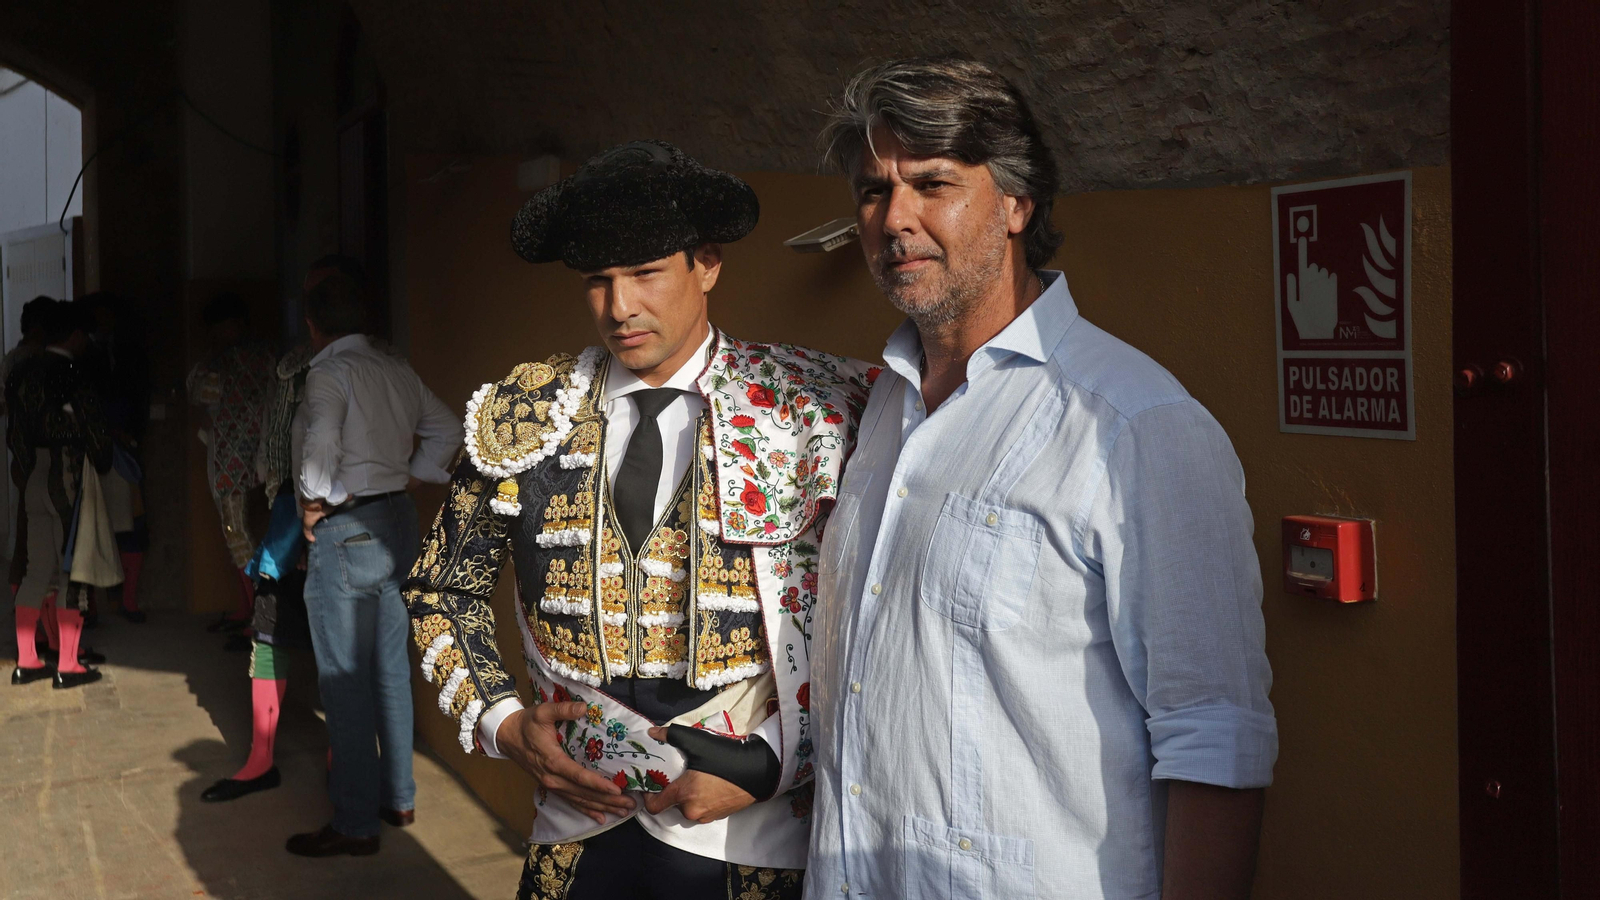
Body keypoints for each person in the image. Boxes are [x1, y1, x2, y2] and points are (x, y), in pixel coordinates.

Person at [806, 57, 1277, 900]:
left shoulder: (1135, 425)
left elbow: (1214, 738)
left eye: (933, 184)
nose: (895, 219)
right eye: (874, 192)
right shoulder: (887, 406)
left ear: (1018, 204)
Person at [402, 140, 877, 900]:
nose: (620, 308)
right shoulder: (525, 412)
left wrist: (774, 763)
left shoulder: (811, 405)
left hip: (752, 825)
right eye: (599, 281)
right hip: (575, 824)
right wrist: (503, 722)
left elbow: (882, 616)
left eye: (647, 274)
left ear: (708, 265)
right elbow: (440, 591)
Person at [284, 271, 460, 856]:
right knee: (389, 669)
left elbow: (321, 446)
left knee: (343, 683)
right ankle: (398, 797)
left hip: (348, 531)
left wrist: (315, 500)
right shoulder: (395, 368)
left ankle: (356, 822)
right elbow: (447, 430)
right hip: (398, 523)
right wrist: (411, 473)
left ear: (313, 326)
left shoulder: (328, 373)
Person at [200, 256, 360, 804]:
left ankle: (339, 761)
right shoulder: (296, 366)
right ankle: (262, 757)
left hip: (338, 525)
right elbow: (273, 454)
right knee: (271, 634)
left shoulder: (353, 368)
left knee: (342, 650)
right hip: (305, 520)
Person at [7, 299, 114, 688]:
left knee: (37, 570)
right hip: (65, 474)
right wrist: (102, 461)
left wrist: (21, 467)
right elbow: (94, 431)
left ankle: (26, 660)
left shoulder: (19, 372)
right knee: (73, 569)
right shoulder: (71, 372)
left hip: (31, 475)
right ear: (73, 335)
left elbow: (14, 432)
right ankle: (69, 663)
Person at [186, 292, 276, 638]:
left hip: (230, 456)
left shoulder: (219, 364)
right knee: (246, 532)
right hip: (267, 453)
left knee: (236, 532)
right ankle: (249, 608)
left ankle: (257, 613)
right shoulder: (268, 356)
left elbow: (201, 395)